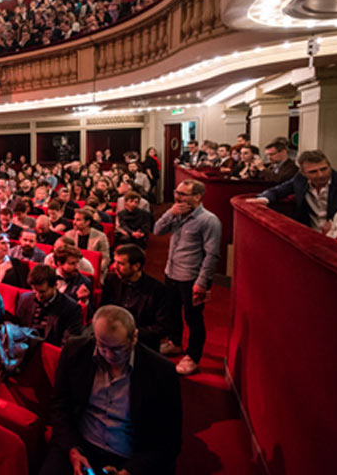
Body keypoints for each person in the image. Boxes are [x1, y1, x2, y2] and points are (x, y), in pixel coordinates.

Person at [43, 305, 182, 475]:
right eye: (102, 347)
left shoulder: (161, 371)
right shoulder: (75, 351)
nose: (109, 356)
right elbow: (59, 406)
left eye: (118, 349)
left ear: (135, 337)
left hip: (130, 456)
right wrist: (73, 450)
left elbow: (169, 438)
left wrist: (130, 471)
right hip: (81, 444)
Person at [154, 179, 221, 375]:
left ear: (197, 197)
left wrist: (202, 282)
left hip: (192, 277)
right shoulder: (176, 213)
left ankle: (193, 356)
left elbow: (212, 255)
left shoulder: (209, 220)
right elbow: (157, 230)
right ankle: (175, 342)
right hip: (171, 271)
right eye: (177, 192)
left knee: (193, 318)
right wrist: (170, 213)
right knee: (172, 311)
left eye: (183, 194)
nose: (177, 197)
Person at [249, 150, 337, 233]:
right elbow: (278, 190)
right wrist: (263, 199)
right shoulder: (300, 179)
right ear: (303, 173)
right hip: (309, 232)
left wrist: (336, 225)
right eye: (313, 172)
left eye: (324, 169)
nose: (321, 175)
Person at [101, 244, 170, 349]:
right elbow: (102, 309)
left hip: (141, 343)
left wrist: (131, 334)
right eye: (115, 262)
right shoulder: (111, 280)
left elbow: (162, 328)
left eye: (120, 264)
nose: (114, 267)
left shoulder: (158, 290)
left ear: (136, 266)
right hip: (112, 338)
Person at [12, 263, 83, 347]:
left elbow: (67, 346)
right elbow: (18, 329)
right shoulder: (25, 299)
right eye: (35, 290)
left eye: (42, 291)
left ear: (55, 285)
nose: (38, 296)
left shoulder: (71, 308)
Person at [63, 207, 110, 279]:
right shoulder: (68, 235)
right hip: (73, 270)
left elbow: (105, 259)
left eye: (78, 220)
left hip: (93, 272)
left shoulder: (100, 237)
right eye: (74, 219)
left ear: (87, 222)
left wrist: (94, 271)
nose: (74, 222)